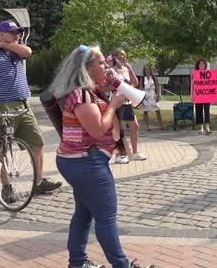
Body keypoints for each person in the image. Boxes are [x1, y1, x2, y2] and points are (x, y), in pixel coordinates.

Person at [50, 45, 151, 268]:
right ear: (86, 67)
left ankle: (77, 262)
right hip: (87, 163)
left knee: (84, 214)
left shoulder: (89, 90)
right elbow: (97, 129)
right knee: (106, 218)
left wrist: (109, 92)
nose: (106, 66)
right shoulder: (82, 94)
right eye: (101, 63)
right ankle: (121, 265)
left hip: (80, 161)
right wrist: (113, 105)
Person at [0, 20, 61, 200]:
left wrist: (2, 44)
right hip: (3, 105)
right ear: (1, 34)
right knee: (3, 148)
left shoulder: (16, 52)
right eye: (13, 32)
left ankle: (39, 182)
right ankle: (6, 186)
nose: (17, 35)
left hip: (23, 105)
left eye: (18, 33)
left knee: (37, 144)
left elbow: (28, 51)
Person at [110, 48, 146, 163]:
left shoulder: (125, 69)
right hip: (117, 103)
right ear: (115, 57)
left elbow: (135, 83)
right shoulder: (111, 71)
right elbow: (104, 87)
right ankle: (119, 155)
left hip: (127, 102)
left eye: (125, 55)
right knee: (118, 129)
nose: (124, 57)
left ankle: (134, 153)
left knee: (134, 126)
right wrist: (117, 88)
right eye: (122, 54)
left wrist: (130, 69)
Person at [139, 67, 166, 131]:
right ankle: (147, 126)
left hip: (153, 94)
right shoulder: (142, 78)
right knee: (145, 111)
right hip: (146, 95)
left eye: (148, 69)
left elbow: (157, 86)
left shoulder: (154, 77)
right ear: (144, 70)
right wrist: (141, 98)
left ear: (150, 70)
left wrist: (158, 95)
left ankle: (161, 125)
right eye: (146, 69)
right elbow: (141, 88)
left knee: (157, 110)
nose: (147, 71)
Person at [192, 58, 212, 134]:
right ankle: (201, 128)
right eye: (200, 63)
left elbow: (212, 84)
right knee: (199, 110)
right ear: (198, 65)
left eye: (203, 63)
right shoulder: (195, 73)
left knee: (207, 111)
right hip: (198, 95)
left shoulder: (208, 73)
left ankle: (207, 127)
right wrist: (192, 94)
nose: (202, 65)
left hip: (206, 95)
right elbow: (193, 85)